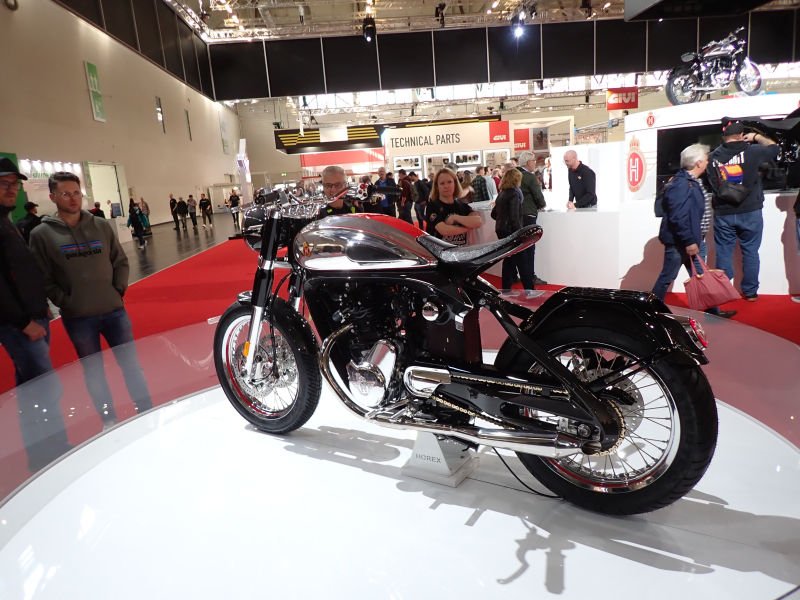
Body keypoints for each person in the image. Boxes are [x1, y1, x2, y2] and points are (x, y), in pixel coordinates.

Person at [29, 171, 152, 427]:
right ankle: (109, 420)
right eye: (65, 194)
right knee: (94, 371)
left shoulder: (101, 226)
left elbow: (119, 261)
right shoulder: (42, 235)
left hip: (114, 311)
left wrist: (117, 290)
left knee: (131, 364)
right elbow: (42, 276)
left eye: (76, 193)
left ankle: (146, 410)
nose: (73, 198)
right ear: (53, 197)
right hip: (79, 317)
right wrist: (66, 301)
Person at [0, 158, 70, 471]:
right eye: (4, 184)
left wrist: (41, 308)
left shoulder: (6, 222)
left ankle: (40, 454)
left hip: (33, 316)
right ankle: (55, 452)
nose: (11, 190)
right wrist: (24, 321)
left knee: (30, 389)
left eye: (14, 185)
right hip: (19, 324)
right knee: (46, 387)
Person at [651, 144, 736, 318]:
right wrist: (689, 241)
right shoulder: (681, 184)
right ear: (698, 163)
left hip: (693, 240)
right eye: (705, 159)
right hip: (682, 242)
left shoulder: (690, 181)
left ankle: (713, 313)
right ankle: (649, 311)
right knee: (667, 277)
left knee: (702, 276)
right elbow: (678, 216)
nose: (707, 162)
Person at [707, 121, 779, 302]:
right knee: (751, 252)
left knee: (724, 253)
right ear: (741, 135)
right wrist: (757, 137)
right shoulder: (753, 151)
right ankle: (750, 292)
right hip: (750, 210)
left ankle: (723, 293)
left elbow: (711, 182)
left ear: (724, 135)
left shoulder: (712, 157)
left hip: (724, 212)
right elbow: (774, 148)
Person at [491, 168, 533, 290]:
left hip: (501, 230)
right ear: (516, 179)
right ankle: (529, 290)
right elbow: (515, 218)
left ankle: (506, 289)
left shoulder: (502, 194)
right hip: (512, 232)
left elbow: (493, 214)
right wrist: (521, 234)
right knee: (522, 261)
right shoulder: (515, 193)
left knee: (509, 260)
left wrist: (502, 218)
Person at [425, 168, 482, 246]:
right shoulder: (432, 206)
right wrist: (468, 228)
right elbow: (444, 230)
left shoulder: (461, 205)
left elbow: (478, 221)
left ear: (455, 184)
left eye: (449, 182)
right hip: (438, 251)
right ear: (437, 187)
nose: (446, 186)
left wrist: (455, 217)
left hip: (461, 251)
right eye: (442, 183)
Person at [517, 151, 547, 285]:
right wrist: (542, 205)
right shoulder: (529, 177)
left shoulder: (514, 174)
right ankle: (530, 277)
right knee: (529, 247)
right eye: (533, 161)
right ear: (528, 162)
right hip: (529, 214)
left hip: (517, 216)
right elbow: (538, 196)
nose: (535, 163)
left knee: (519, 248)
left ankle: (518, 276)